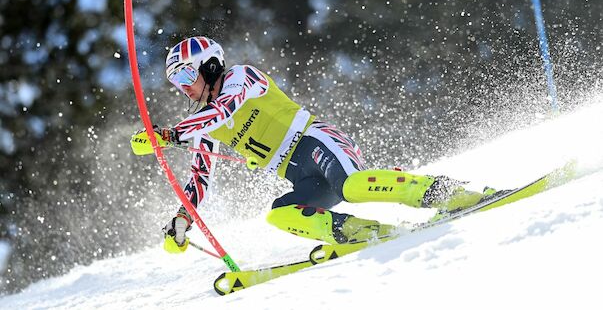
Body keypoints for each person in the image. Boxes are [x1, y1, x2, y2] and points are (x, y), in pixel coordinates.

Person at [154, 36, 487, 253]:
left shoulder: (242, 77)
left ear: (209, 66)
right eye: (175, 83)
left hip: (316, 143)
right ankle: (361, 232)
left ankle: (444, 191)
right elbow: (200, 179)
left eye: (185, 77)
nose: (183, 88)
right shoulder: (201, 126)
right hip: (298, 175)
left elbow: (225, 108)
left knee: (352, 186)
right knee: (280, 214)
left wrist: (169, 135)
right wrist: (183, 219)